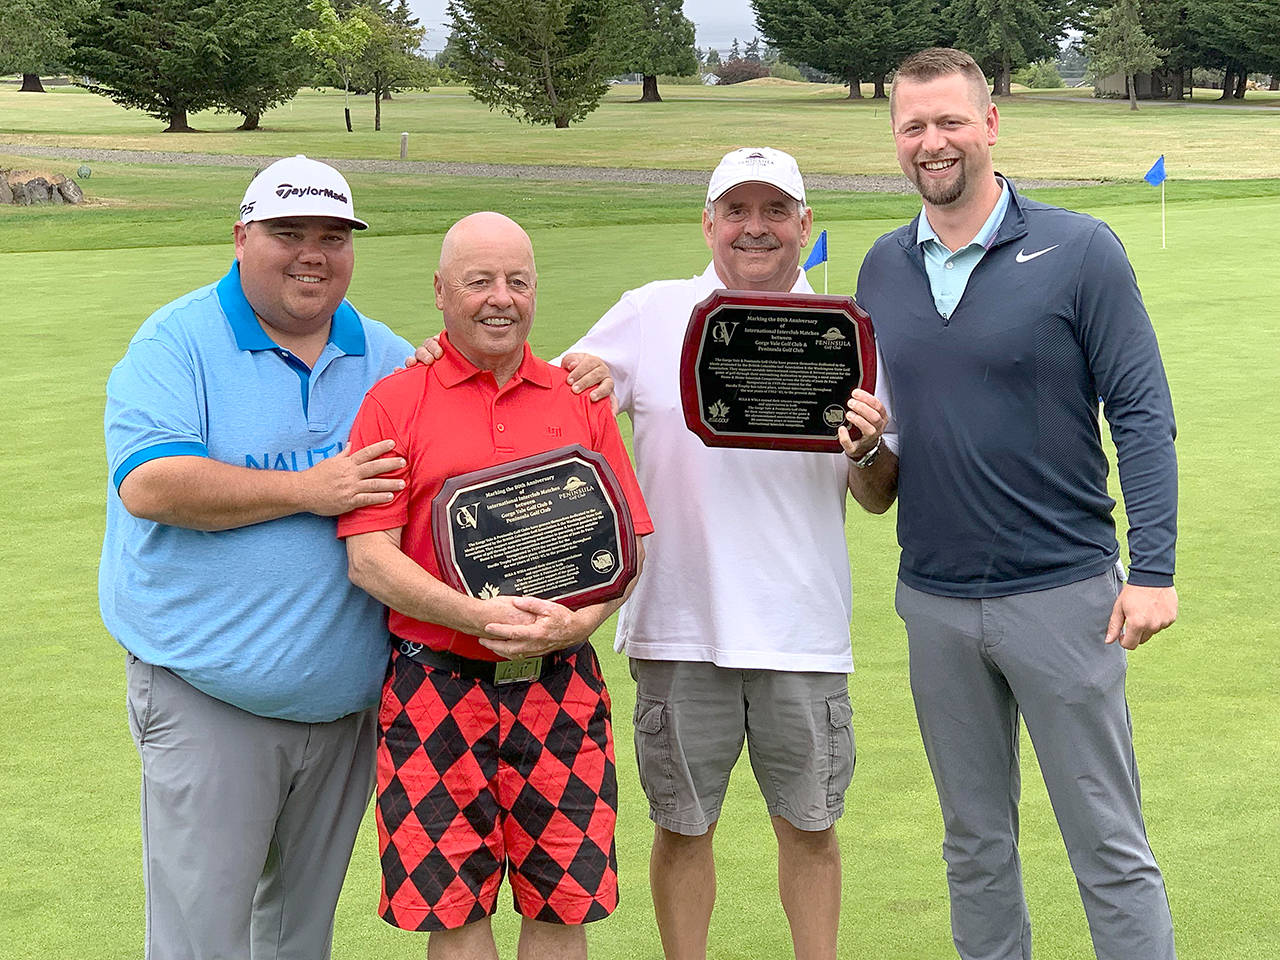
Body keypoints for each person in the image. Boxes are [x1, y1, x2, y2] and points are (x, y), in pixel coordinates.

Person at [854, 47, 1179, 960]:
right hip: (935, 599)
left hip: (1063, 597)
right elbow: (879, 463)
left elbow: (1144, 415)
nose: (934, 141)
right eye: (913, 125)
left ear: (991, 124)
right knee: (975, 848)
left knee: (1108, 848)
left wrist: (1152, 571)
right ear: (895, 139)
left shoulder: (1080, 251)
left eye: (951, 120)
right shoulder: (880, 269)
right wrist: (865, 450)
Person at [560, 148, 889, 960]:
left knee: (811, 831)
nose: (755, 228)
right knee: (682, 829)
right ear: (707, 223)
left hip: (802, 631)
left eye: (774, 211)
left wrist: (869, 449)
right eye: (735, 210)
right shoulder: (651, 310)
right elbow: (559, 403)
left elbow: (877, 494)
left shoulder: (846, 332)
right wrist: (574, 374)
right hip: (680, 624)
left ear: (804, 226)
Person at [100, 155, 412, 959]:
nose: (313, 253)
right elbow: (153, 483)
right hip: (209, 698)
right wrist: (312, 489)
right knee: (201, 941)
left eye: (333, 237)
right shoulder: (177, 340)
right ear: (242, 237)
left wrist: (589, 372)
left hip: (346, 710)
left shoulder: (387, 355)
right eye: (288, 233)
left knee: (297, 940)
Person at [338, 212, 653, 960]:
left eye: (517, 280)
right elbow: (368, 558)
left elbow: (629, 546)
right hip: (434, 689)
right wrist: (474, 615)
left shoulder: (578, 396)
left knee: (561, 903)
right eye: (479, 281)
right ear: (441, 292)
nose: (500, 298)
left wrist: (580, 626)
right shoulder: (395, 400)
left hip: (560, 686)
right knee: (453, 910)